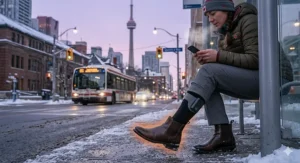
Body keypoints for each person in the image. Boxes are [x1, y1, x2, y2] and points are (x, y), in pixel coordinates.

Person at [133, 0, 293, 154]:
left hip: (277, 80)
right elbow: (231, 64)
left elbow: (257, 59)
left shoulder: (248, 20)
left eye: (213, 13)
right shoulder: (226, 33)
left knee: (209, 73)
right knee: (208, 81)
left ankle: (173, 129)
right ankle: (223, 135)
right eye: (208, 15)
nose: (210, 19)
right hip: (259, 79)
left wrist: (218, 57)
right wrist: (211, 58)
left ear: (226, 9)